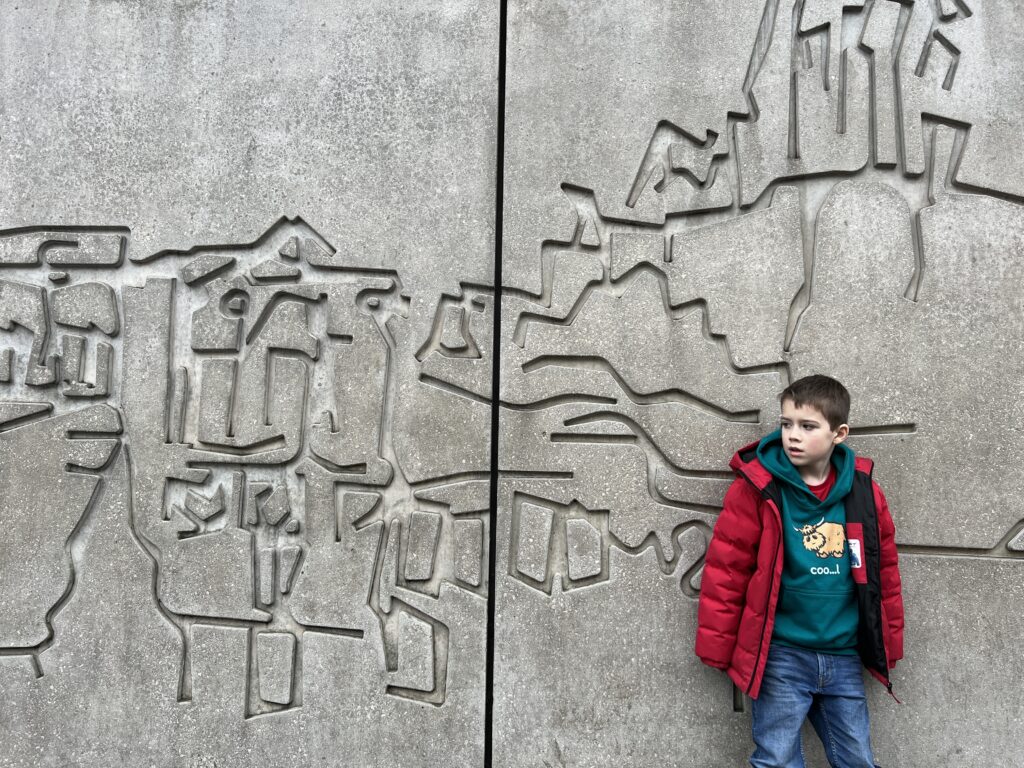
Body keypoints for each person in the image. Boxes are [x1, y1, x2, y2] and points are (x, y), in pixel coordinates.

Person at [695, 374, 904, 768]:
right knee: (777, 759)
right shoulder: (758, 488)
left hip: (842, 655)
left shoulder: (863, 492)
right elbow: (727, 570)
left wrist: (886, 644)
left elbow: (884, 573)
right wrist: (718, 647)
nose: (793, 435)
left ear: (838, 433)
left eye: (808, 426)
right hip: (782, 655)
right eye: (786, 423)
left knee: (858, 758)